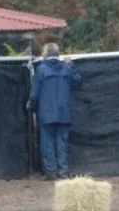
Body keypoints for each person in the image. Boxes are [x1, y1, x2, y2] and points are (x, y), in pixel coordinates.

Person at [28, 43, 82, 180]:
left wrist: (32, 106)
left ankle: (51, 172)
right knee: (62, 143)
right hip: (64, 113)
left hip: (46, 113)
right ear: (58, 54)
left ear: (45, 54)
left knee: (47, 144)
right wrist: (71, 65)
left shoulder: (41, 70)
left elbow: (35, 93)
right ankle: (63, 171)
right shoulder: (67, 69)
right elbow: (77, 82)